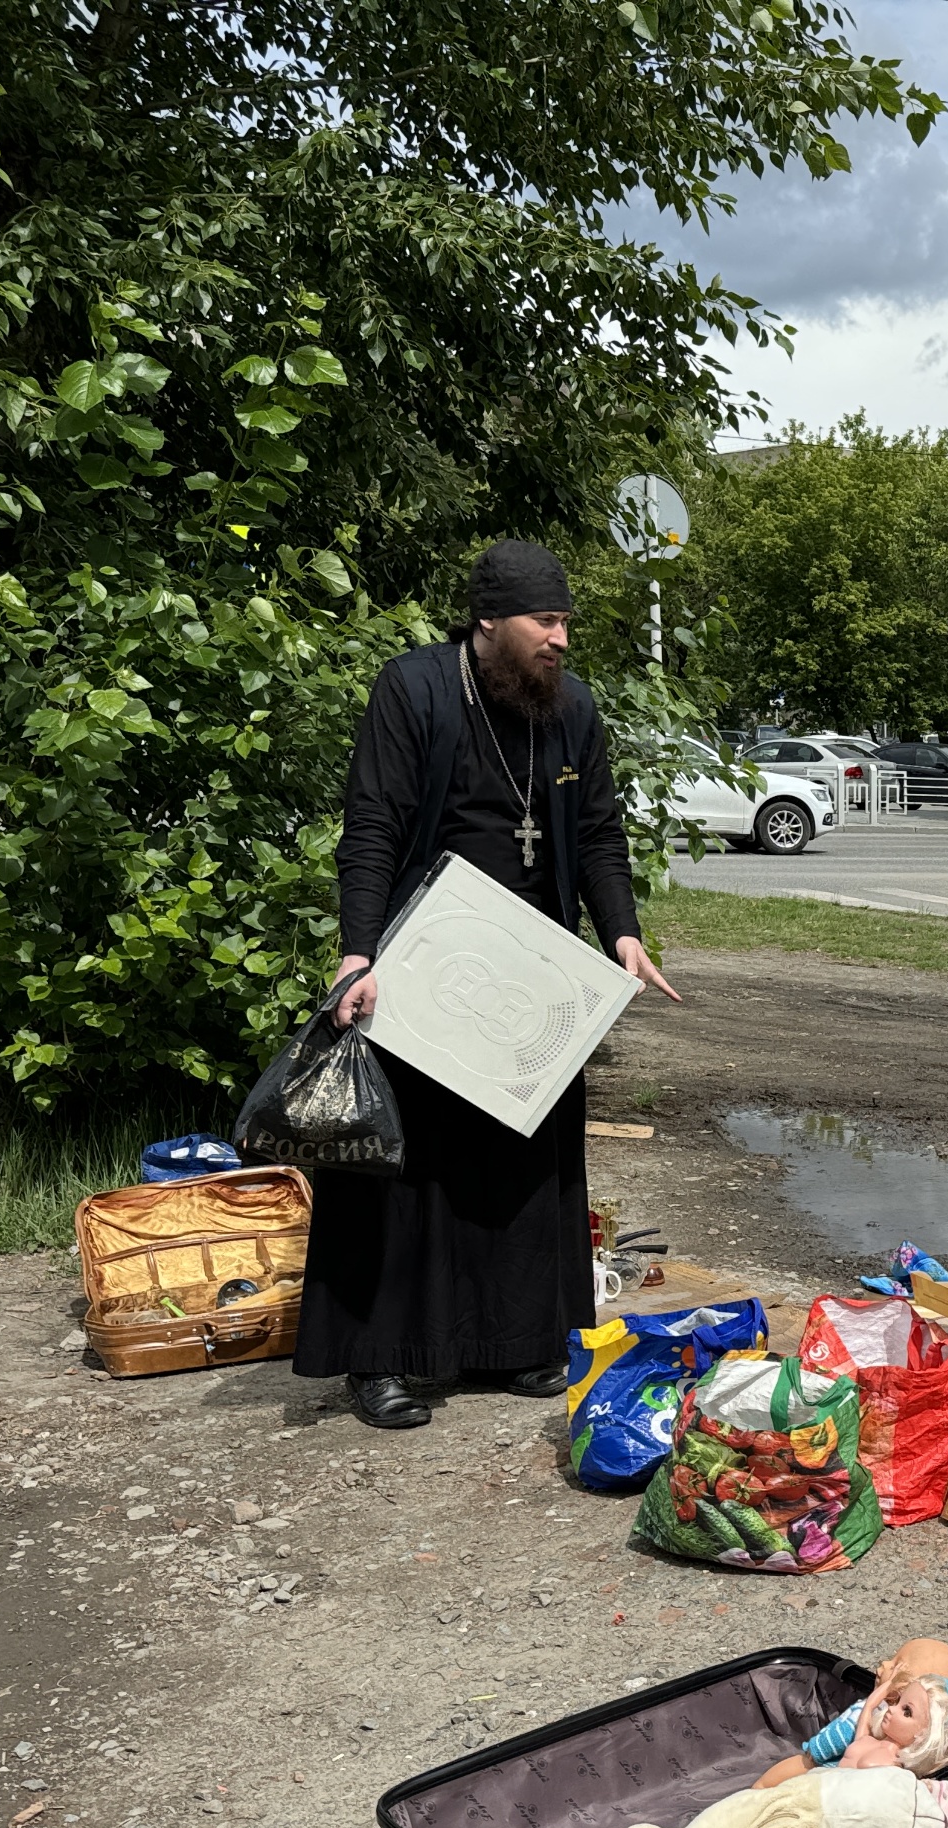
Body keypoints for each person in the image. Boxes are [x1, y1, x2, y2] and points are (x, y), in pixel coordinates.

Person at [296, 538, 681, 1430]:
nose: (561, 640)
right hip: (420, 960)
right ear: (489, 622)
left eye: (565, 622)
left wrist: (621, 931)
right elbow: (373, 826)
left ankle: (514, 1344)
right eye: (545, 622)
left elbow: (597, 836)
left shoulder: (570, 708)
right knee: (405, 1167)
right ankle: (381, 1361)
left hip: (530, 972)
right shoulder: (416, 689)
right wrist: (358, 954)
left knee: (516, 1161)